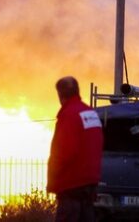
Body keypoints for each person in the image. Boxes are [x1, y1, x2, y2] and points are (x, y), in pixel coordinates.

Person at [47, 76, 104, 222]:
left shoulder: (69, 114)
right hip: (90, 186)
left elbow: (64, 151)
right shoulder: (91, 113)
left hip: (71, 186)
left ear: (60, 95)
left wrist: (53, 180)